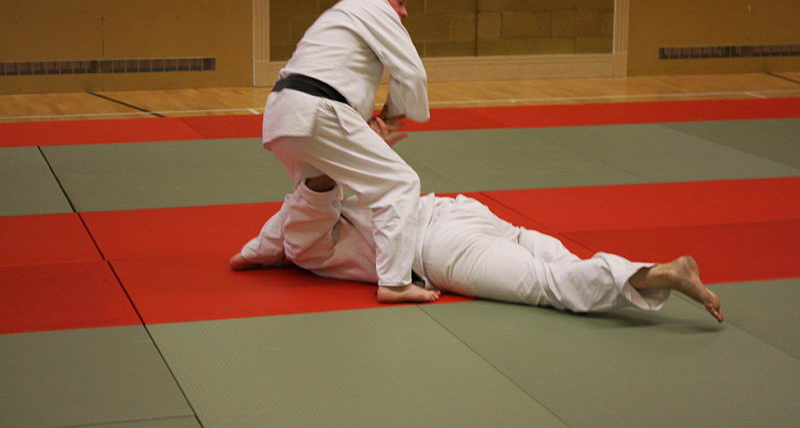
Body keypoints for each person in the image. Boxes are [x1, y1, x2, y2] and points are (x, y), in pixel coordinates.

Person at [231, 120, 723, 323]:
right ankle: (643, 272)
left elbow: (287, 225)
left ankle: (661, 273)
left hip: (443, 245)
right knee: (563, 264)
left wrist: (349, 149)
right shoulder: (306, 225)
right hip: (459, 211)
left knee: (552, 285)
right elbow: (261, 243)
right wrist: (358, 147)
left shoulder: (304, 246)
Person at [260, 0, 438, 303]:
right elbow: (412, 73)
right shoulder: (371, 6)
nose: (404, 12)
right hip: (317, 109)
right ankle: (395, 283)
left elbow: (340, 77)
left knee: (315, 190)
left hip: (282, 112)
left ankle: (258, 250)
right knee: (399, 183)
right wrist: (390, 117)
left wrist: (372, 122)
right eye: (400, 2)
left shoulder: (338, 17)